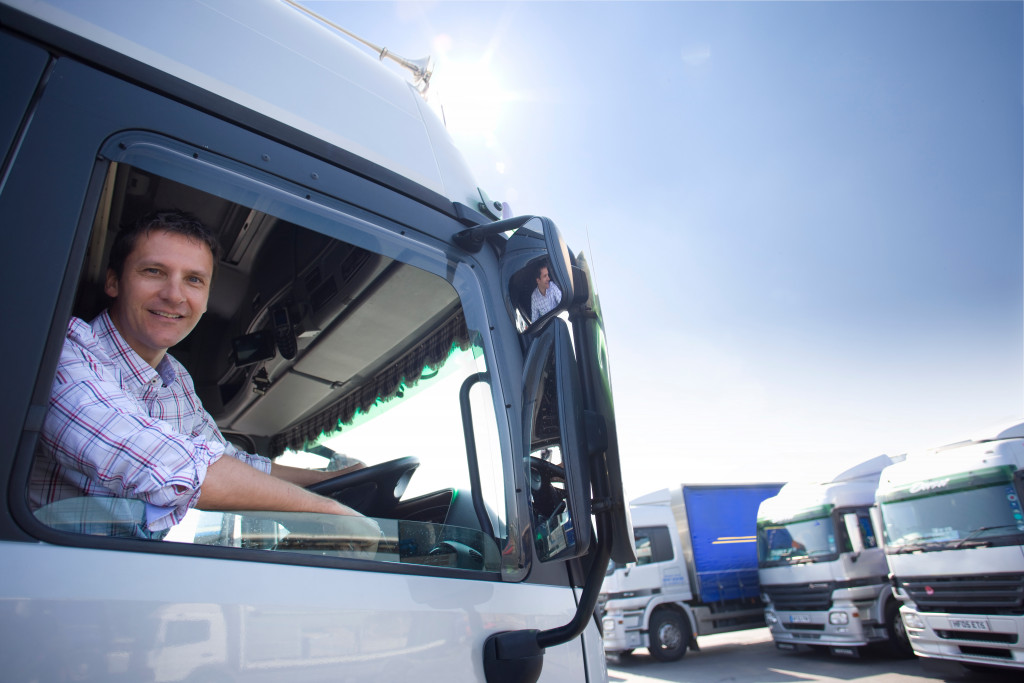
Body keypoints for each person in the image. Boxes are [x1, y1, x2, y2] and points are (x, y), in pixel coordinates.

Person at [29, 210, 364, 538]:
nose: (174, 295)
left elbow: (226, 459)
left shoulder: (175, 378)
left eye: (193, 280)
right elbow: (161, 463)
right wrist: (328, 511)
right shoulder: (66, 353)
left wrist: (328, 481)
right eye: (154, 271)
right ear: (114, 282)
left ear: (205, 298)